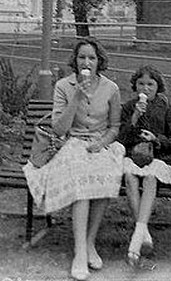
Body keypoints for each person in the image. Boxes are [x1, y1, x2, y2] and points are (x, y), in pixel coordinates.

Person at [23, 37, 125, 281]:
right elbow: (58, 129)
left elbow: (114, 127)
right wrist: (77, 97)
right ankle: (80, 252)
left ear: (99, 61)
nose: (86, 62)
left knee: (106, 174)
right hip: (73, 143)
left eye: (91, 57)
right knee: (81, 178)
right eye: (82, 57)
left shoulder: (111, 88)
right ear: (75, 61)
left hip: (102, 143)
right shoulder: (63, 86)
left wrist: (101, 144)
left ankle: (89, 243)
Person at [117, 65, 171, 270]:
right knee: (129, 176)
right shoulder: (129, 107)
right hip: (133, 156)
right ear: (135, 86)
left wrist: (156, 138)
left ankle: (138, 234)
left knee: (150, 178)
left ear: (158, 86)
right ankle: (143, 234)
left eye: (150, 84)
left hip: (159, 158)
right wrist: (135, 117)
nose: (145, 88)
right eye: (141, 84)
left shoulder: (167, 108)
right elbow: (121, 137)